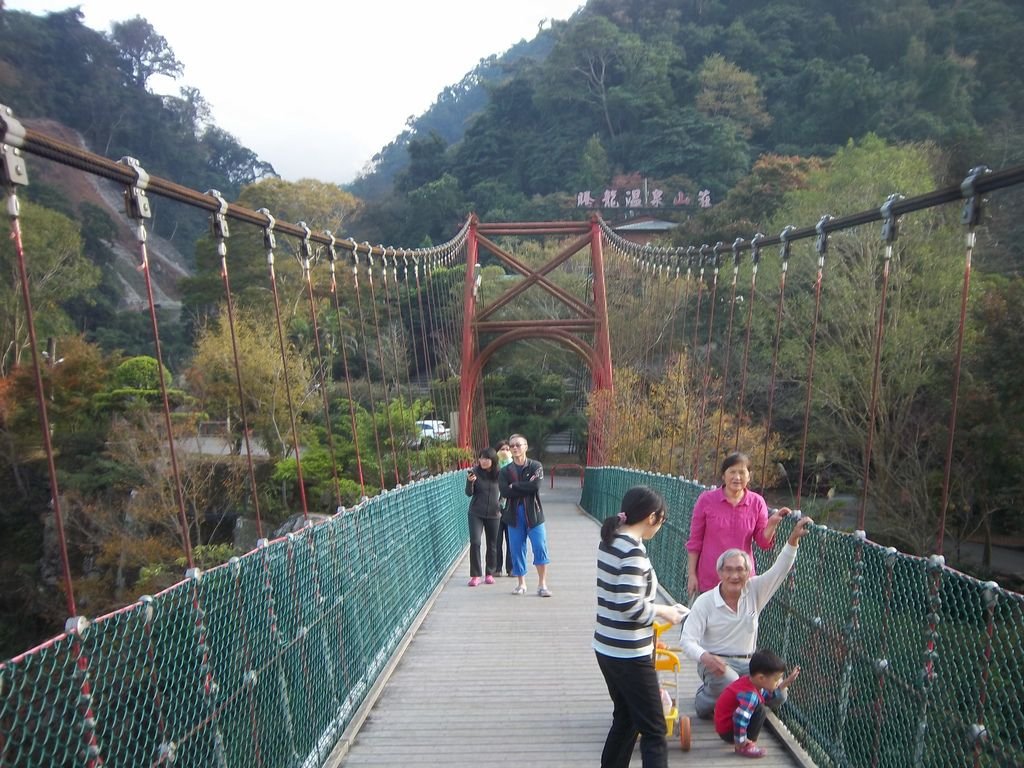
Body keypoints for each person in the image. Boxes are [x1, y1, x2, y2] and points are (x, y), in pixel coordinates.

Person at [680, 514, 812, 719]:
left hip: (749, 664)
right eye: (729, 570)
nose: (735, 576)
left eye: (741, 570)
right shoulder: (705, 601)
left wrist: (793, 539)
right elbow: (687, 640)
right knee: (729, 682)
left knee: (779, 697)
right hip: (718, 663)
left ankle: (740, 701)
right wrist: (705, 657)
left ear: (748, 572)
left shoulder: (754, 590)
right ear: (720, 573)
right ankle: (704, 701)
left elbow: (780, 570)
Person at [593, 486, 688, 768]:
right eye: (662, 520)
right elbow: (631, 607)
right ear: (652, 517)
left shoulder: (611, 540)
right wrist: (666, 611)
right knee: (655, 730)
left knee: (626, 719)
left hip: (606, 646)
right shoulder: (633, 552)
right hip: (629, 653)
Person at [686, 452, 790, 599]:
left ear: (749, 476)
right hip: (710, 579)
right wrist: (692, 575)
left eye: (742, 472)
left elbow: (763, 542)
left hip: (742, 580)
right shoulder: (707, 500)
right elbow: (695, 541)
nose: (737, 477)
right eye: (732, 472)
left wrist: (772, 523)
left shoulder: (757, 502)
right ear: (724, 475)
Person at [714, 649, 800, 759]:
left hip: (725, 725)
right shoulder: (750, 695)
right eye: (776, 679)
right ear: (761, 678)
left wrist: (785, 683)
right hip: (728, 731)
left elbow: (767, 696)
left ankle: (742, 741)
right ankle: (745, 746)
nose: (778, 682)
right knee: (760, 711)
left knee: (758, 706)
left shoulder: (750, 683)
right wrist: (740, 741)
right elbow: (740, 718)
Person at [498, 433, 550, 596]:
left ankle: (542, 584)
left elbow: (535, 486)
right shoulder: (505, 471)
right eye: (511, 445)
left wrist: (515, 486)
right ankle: (521, 583)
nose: (514, 448)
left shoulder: (535, 466)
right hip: (513, 514)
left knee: (540, 546)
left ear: (525, 447)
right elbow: (504, 491)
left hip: (533, 513)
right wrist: (520, 486)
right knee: (516, 549)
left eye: (517, 445)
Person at [464, 447, 502, 586]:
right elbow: (469, 493)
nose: (484, 461)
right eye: (481, 458)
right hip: (476, 512)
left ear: (493, 460)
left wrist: (501, 502)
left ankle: (489, 573)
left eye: (487, 458)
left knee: (493, 544)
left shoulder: (499, 474)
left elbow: (505, 489)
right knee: (475, 542)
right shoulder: (473, 472)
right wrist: (470, 482)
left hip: (494, 513)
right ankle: (475, 575)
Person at [493, 440, 514, 577]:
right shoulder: (492, 468)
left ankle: (511, 568)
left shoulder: (515, 467)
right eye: (502, 449)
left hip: (511, 506)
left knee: (511, 539)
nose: (505, 451)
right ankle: (496, 568)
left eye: (507, 449)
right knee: (496, 539)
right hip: (495, 507)